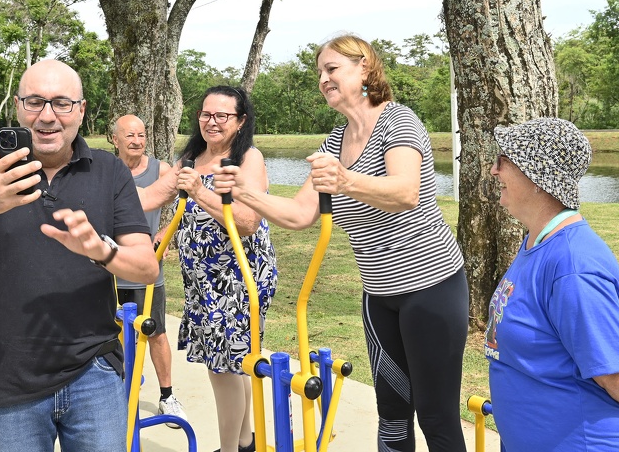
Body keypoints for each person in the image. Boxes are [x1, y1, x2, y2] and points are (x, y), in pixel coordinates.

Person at [213, 35, 469, 452]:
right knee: (391, 412)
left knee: (436, 414)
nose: (323, 79)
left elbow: (406, 192)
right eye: (319, 72)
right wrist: (243, 191)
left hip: (431, 288)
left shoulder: (398, 121)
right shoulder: (335, 141)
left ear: (364, 68)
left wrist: (346, 179)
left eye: (332, 69)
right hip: (379, 295)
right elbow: (299, 214)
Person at [0, 59, 159, 452]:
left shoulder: (109, 170)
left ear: (81, 111)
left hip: (93, 372)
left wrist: (102, 251)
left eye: (62, 103)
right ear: (17, 107)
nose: (47, 116)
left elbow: (146, 267)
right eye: (35, 102)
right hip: (7, 376)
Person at [485, 117, 619, 451]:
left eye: (504, 159)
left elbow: (615, 374)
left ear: (538, 176)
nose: (494, 170)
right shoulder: (538, 243)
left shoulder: (574, 264)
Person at [144, 85, 276, 452]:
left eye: (223, 115)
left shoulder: (248, 158)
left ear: (241, 121)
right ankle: (246, 442)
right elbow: (151, 195)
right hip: (202, 280)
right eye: (206, 114)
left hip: (238, 277)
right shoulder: (191, 156)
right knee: (234, 362)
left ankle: (230, 449)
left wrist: (200, 192)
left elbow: (248, 221)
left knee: (224, 366)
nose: (212, 121)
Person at [111, 114, 188, 427]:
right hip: (110, 269)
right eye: (129, 135)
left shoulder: (161, 170)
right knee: (108, 333)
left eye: (142, 135)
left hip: (146, 270)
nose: (137, 141)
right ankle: (114, 391)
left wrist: (166, 231)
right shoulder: (106, 170)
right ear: (114, 139)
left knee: (155, 333)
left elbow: (185, 204)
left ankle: (167, 395)